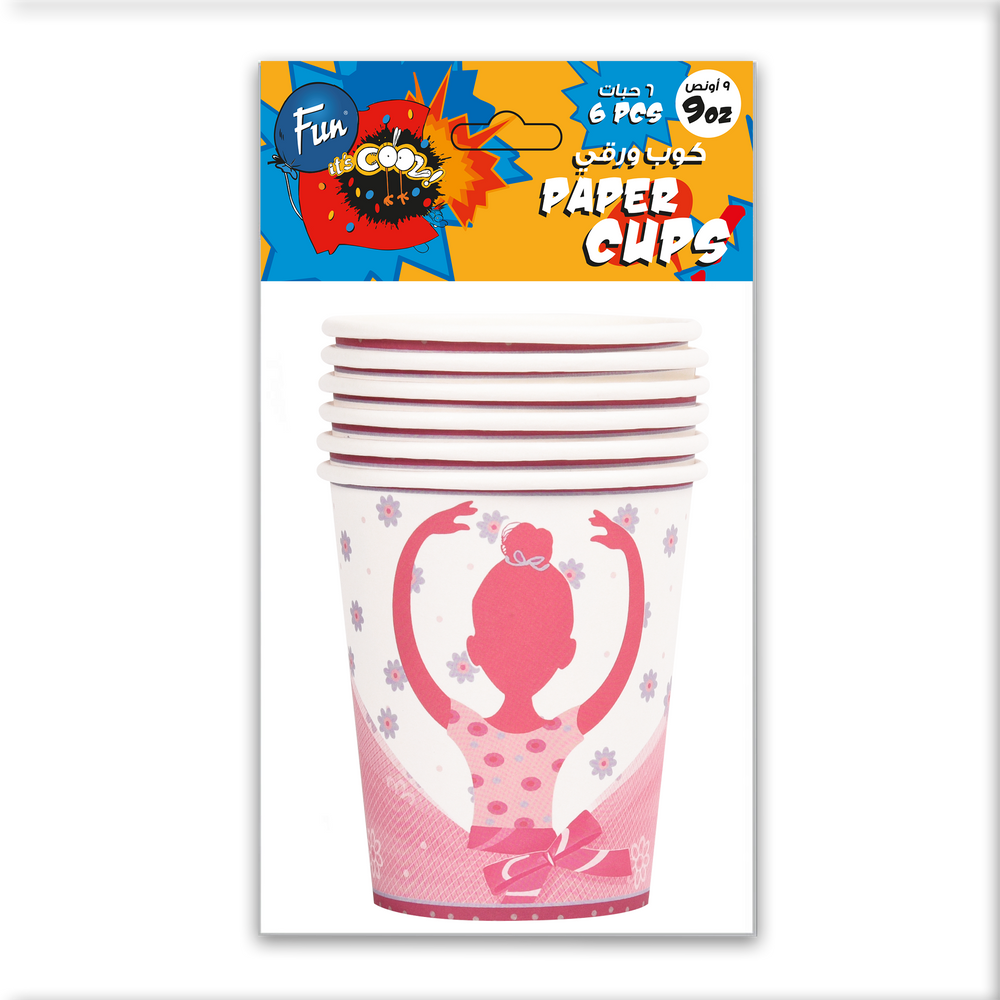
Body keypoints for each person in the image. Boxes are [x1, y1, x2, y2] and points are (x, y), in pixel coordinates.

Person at [392, 501, 645, 856]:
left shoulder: (477, 729)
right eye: (503, 636)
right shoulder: (531, 731)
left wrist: (634, 554)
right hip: (482, 862)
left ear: (565, 652)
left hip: (530, 861)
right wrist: (414, 539)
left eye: (537, 641)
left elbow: (625, 663)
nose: (519, 653)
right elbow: (407, 651)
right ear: (475, 648)